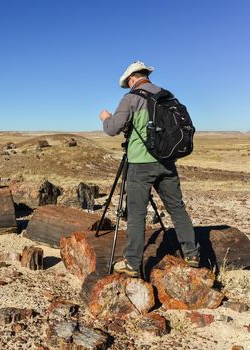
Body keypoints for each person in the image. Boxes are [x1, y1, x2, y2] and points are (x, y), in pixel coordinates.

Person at [99, 61, 200, 277]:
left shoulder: (132, 98)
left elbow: (113, 129)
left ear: (132, 79)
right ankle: (192, 254)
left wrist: (106, 118)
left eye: (128, 83)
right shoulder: (167, 96)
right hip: (167, 162)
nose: (129, 86)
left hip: (140, 164)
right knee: (177, 209)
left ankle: (133, 263)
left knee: (136, 214)